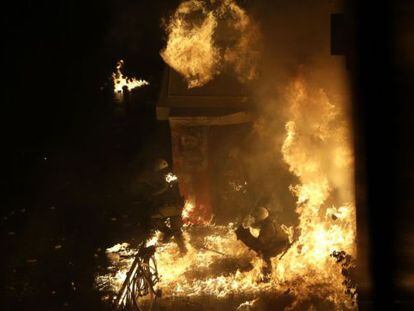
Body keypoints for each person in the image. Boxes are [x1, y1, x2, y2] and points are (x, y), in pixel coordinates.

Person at [236, 205, 289, 279]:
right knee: (261, 254)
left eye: (254, 218)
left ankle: (267, 275)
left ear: (258, 218)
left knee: (263, 257)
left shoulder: (268, 227)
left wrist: (243, 232)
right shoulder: (268, 223)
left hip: (278, 250)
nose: (252, 220)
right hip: (276, 248)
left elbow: (258, 245)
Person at [146, 159, 187, 254]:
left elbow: (163, 189)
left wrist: (154, 194)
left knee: (153, 217)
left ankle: (167, 232)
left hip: (171, 206)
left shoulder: (166, 177)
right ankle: (184, 251)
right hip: (177, 206)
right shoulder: (172, 175)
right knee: (177, 231)